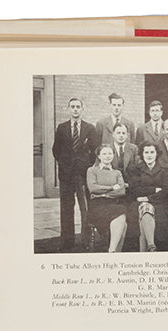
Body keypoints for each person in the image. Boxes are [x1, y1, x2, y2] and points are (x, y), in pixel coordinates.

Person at [51, 97, 97, 251]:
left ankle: (86, 241)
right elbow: (56, 150)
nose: (75, 109)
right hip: (66, 176)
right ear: (68, 109)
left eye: (78, 106)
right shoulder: (61, 128)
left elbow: (94, 151)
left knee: (85, 208)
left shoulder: (89, 128)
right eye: (73, 107)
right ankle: (67, 241)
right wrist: (65, 165)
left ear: (82, 109)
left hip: (83, 175)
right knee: (66, 208)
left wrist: (86, 166)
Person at [129, 142, 168, 252]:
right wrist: (154, 189)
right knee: (145, 209)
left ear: (157, 154)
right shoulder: (135, 169)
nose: (149, 155)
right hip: (139, 203)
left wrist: (148, 198)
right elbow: (134, 190)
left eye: (152, 152)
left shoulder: (167, 169)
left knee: (147, 211)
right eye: (146, 152)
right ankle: (151, 246)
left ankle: (146, 250)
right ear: (142, 154)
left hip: (162, 204)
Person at [86, 145, 128, 252]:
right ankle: (113, 251)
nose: (107, 156)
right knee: (122, 217)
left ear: (113, 155)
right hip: (97, 206)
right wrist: (111, 188)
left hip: (113, 203)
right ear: (99, 156)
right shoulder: (92, 170)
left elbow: (121, 191)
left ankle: (112, 250)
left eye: (110, 153)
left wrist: (103, 194)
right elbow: (93, 188)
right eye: (104, 154)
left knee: (123, 221)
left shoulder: (117, 173)